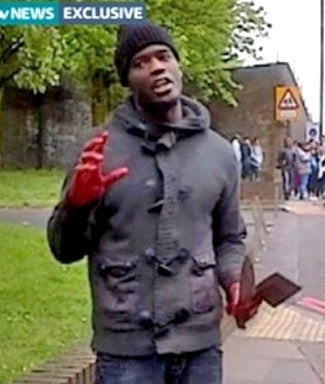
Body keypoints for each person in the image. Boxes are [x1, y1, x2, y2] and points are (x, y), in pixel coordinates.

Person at [46, 22, 257, 384]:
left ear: (178, 65)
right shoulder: (99, 151)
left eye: (164, 57)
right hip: (127, 354)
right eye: (141, 63)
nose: (157, 67)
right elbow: (64, 250)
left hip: (201, 349)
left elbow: (229, 238)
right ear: (127, 79)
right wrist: (77, 206)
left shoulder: (220, 153)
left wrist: (234, 280)